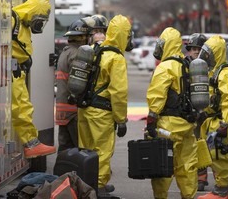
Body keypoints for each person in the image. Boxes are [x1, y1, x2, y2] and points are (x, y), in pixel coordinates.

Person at [77, 14, 133, 195]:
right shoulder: (116, 58)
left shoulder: (94, 49)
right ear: (123, 35)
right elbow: (118, 92)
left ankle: (84, 185)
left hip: (84, 110)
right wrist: (121, 119)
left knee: (85, 150)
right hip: (101, 113)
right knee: (102, 151)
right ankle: (98, 186)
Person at [146, 27, 198, 199]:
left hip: (167, 126)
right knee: (187, 166)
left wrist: (151, 120)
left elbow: (157, 95)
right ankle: (188, 196)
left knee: (163, 166)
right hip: (187, 125)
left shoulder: (165, 67)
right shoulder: (189, 65)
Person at [11, 0, 56, 159]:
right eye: (40, 19)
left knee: (24, 106)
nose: (40, 24)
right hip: (11, 71)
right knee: (20, 108)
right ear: (33, 13)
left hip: (17, 71)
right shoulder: (12, 18)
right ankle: (30, 144)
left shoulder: (22, 24)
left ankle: (32, 142)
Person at [197, 35, 228, 199]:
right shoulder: (215, 72)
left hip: (222, 119)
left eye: (209, 53)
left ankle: (222, 189)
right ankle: (225, 190)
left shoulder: (227, 74)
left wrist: (225, 123)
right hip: (214, 119)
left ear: (216, 53)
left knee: (219, 154)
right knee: (214, 154)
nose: (206, 57)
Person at [55, 19, 91, 152]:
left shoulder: (65, 52)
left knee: (65, 147)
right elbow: (80, 82)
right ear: (83, 37)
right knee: (79, 148)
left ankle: (62, 172)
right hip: (73, 111)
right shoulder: (78, 54)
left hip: (62, 109)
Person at [185, 33, 209, 191]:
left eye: (198, 49)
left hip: (204, 114)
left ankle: (201, 178)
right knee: (187, 147)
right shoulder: (183, 65)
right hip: (187, 112)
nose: (195, 51)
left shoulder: (209, 67)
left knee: (201, 145)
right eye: (192, 49)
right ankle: (189, 176)